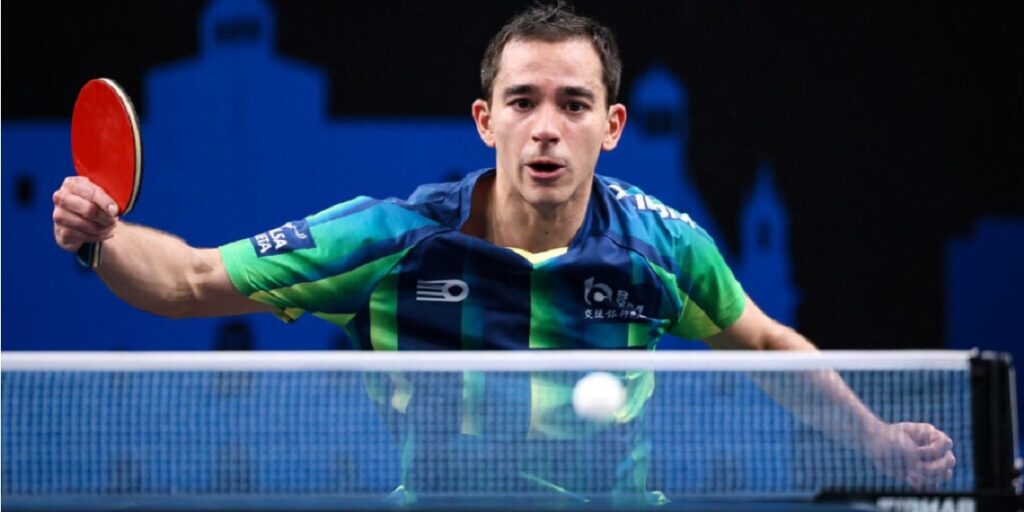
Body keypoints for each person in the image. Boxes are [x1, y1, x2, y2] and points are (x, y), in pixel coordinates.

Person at [52, 2, 955, 499]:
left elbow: (764, 345)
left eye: (573, 104)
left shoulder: (660, 247)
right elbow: (190, 280)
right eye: (523, 102)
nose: (546, 128)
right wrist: (104, 239)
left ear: (612, 125)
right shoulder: (393, 240)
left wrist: (875, 440)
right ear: (487, 121)